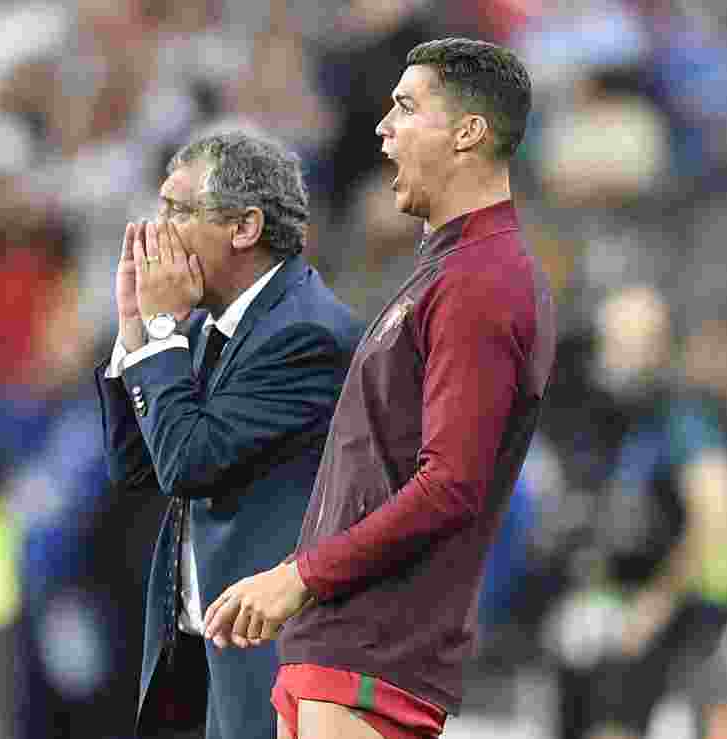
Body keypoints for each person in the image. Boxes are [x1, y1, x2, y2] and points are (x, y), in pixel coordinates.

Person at [203, 38, 556, 739]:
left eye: (404, 107)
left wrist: (301, 574)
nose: (381, 128)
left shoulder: (486, 279)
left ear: (468, 132)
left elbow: (451, 484)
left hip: (372, 662)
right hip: (337, 655)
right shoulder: (445, 270)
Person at [96, 131, 361, 739]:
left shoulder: (304, 334)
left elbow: (187, 462)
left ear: (244, 227)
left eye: (179, 211)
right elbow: (136, 468)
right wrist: (137, 331)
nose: (155, 233)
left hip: (266, 666)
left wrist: (163, 329)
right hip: (198, 658)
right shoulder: (211, 326)